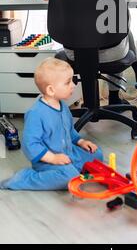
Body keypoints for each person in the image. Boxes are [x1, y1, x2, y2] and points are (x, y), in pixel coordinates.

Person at [0, 58, 103, 190]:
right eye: (68, 82)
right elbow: (30, 144)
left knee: (97, 154)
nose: (73, 85)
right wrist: (53, 158)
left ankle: (73, 169)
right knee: (69, 179)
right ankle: (24, 178)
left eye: (72, 80)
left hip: (68, 152)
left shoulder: (63, 106)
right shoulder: (36, 113)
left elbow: (69, 131)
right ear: (51, 90)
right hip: (47, 161)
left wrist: (81, 142)